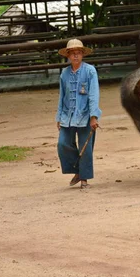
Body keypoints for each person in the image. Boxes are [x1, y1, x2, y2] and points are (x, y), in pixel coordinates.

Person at [55, 39, 101, 189]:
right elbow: (62, 96)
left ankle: (84, 180)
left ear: (82, 55)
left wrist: (93, 116)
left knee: (85, 147)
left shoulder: (90, 71)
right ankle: (78, 170)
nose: (76, 56)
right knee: (62, 144)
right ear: (68, 55)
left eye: (79, 53)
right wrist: (59, 117)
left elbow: (94, 94)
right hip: (67, 116)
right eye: (73, 53)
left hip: (86, 116)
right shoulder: (64, 74)